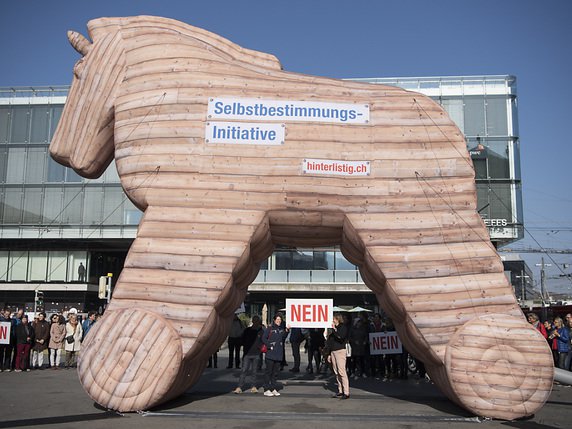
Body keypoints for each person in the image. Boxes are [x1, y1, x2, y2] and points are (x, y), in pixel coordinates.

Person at [233, 315, 264, 394]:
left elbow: (264, 340)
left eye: (257, 320)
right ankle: (239, 387)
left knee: (254, 371)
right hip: (247, 354)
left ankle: (253, 387)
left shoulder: (261, 331)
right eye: (255, 320)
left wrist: (260, 348)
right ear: (253, 321)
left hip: (256, 354)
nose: (256, 322)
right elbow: (242, 340)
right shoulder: (247, 330)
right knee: (244, 370)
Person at [262, 314, 289, 397]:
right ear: (274, 320)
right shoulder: (269, 328)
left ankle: (273, 388)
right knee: (269, 372)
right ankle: (266, 389)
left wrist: (287, 330)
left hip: (278, 354)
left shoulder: (281, 329)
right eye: (277, 319)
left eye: (280, 319)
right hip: (270, 354)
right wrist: (270, 346)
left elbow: (283, 337)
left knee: (275, 373)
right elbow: (263, 338)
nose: (279, 321)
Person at [327, 313, 350, 399]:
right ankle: (340, 390)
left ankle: (346, 392)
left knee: (341, 371)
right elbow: (330, 342)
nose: (332, 320)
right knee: (336, 371)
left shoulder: (342, 327)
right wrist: (329, 353)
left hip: (340, 351)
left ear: (337, 319)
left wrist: (334, 330)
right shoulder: (333, 330)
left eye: (334, 319)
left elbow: (341, 337)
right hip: (333, 351)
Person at [0, 308, 15, 372]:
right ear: (4, 313)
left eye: (8, 314)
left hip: (9, 339)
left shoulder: (12, 321)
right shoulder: (1, 320)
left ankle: (7, 366)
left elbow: (13, 330)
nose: (7, 315)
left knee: (8, 354)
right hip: (1, 339)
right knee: (0, 354)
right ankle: (0, 367)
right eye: (6, 314)